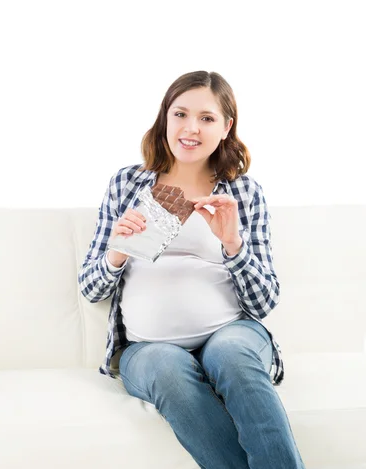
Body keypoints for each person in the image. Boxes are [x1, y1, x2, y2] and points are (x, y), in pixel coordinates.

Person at [78, 71, 305, 469]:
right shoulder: (127, 184)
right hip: (148, 349)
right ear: (165, 117)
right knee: (170, 374)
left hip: (231, 332)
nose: (190, 128)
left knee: (234, 358)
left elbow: (265, 301)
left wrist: (233, 246)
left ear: (226, 127)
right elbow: (90, 288)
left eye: (206, 118)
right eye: (181, 113)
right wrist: (116, 253)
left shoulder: (243, 192)